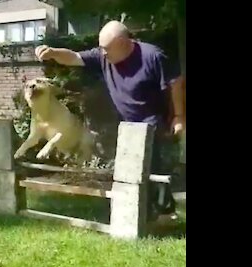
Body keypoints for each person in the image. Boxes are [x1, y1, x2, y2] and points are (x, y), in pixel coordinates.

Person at [34, 20, 186, 220]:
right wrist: (53, 53)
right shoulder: (103, 56)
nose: (103, 52)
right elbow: (73, 57)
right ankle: (144, 214)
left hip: (155, 121)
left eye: (107, 48)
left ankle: (164, 213)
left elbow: (175, 83)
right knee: (133, 170)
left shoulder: (152, 56)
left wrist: (179, 116)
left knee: (153, 165)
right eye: (102, 48)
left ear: (124, 43)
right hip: (128, 125)